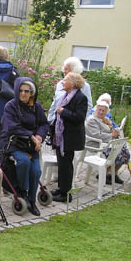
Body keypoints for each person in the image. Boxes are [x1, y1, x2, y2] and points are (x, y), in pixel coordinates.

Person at [0, 77, 49, 216]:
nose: (23, 94)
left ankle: (32, 201)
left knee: (36, 171)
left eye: (26, 91)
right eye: (20, 91)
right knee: (23, 161)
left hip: (31, 145)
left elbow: (44, 124)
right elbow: (11, 127)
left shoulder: (36, 107)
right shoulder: (10, 106)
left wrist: (39, 136)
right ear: (16, 91)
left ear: (31, 93)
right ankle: (22, 191)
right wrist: (30, 135)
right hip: (14, 142)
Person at [51, 72, 88, 203]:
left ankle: (66, 194)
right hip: (61, 138)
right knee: (62, 164)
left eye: (65, 80)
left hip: (70, 139)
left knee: (66, 165)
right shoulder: (66, 96)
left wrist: (63, 112)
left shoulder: (80, 98)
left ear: (72, 83)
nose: (62, 82)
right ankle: (61, 189)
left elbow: (79, 118)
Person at [85, 100, 130, 184]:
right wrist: (111, 136)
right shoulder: (92, 119)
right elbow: (96, 135)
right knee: (118, 153)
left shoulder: (103, 119)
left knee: (125, 152)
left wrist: (111, 126)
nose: (101, 112)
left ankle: (112, 174)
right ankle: (104, 174)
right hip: (96, 145)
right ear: (96, 109)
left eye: (103, 111)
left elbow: (110, 130)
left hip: (105, 144)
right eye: (99, 110)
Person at [47, 57, 92, 124]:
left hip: (73, 124)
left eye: (67, 69)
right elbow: (55, 103)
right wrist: (50, 119)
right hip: (56, 122)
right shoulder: (60, 84)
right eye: (64, 69)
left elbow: (88, 106)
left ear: (74, 71)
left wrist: (80, 122)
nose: (64, 71)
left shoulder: (84, 86)